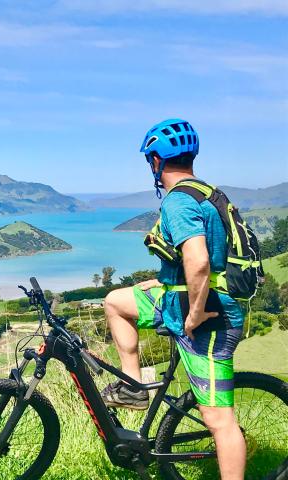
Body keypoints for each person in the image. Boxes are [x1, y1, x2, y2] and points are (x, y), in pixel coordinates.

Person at [101, 119, 246, 479]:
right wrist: (168, 281)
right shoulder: (207, 192)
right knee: (116, 302)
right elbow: (202, 260)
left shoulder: (178, 201)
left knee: (218, 420)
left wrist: (195, 312)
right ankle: (134, 387)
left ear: (155, 160)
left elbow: (198, 260)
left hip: (209, 319)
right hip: (177, 300)